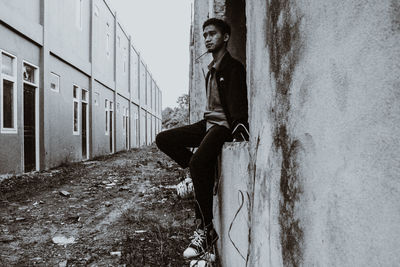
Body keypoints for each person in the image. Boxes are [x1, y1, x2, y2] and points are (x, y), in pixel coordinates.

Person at [156, 18, 248, 259]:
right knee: (164, 139)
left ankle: (206, 229)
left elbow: (238, 109)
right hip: (208, 124)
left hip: (223, 126)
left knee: (198, 162)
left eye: (212, 34)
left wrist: (240, 131)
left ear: (225, 37)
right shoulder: (211, 69)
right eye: (205, 34)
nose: (207, 38)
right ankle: (199, 176)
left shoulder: (233, 67)